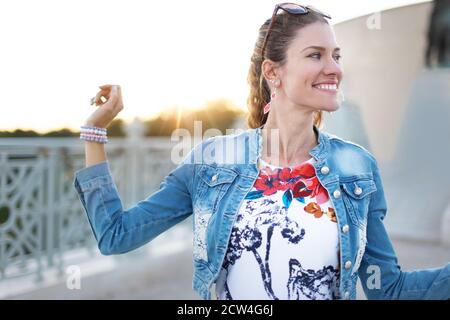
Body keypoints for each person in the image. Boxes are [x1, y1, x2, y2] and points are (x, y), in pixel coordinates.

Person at [73, 3, 450, 300]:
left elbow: (389, 289)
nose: (333, 68)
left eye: (336, 55)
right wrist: (95, 132)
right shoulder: (212, 162)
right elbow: (116, 235)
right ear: (273, 73)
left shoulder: (356, 166)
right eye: (316, 55)